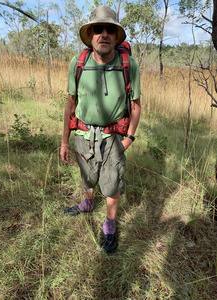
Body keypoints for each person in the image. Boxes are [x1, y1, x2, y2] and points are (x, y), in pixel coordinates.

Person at [60, 5, 141, 253]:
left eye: (110, 29)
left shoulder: (128, 64)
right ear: (91, 34)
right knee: (88, 175)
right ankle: (86, 204)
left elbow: (136, 106)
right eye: (98, 29)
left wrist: (128, 139)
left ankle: (109, 226)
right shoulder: (79, 62)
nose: (104, 34)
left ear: (116, 36)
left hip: (114, 138)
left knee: (111, 184)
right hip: (83, 135)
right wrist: (65, 141)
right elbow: (70, 104)